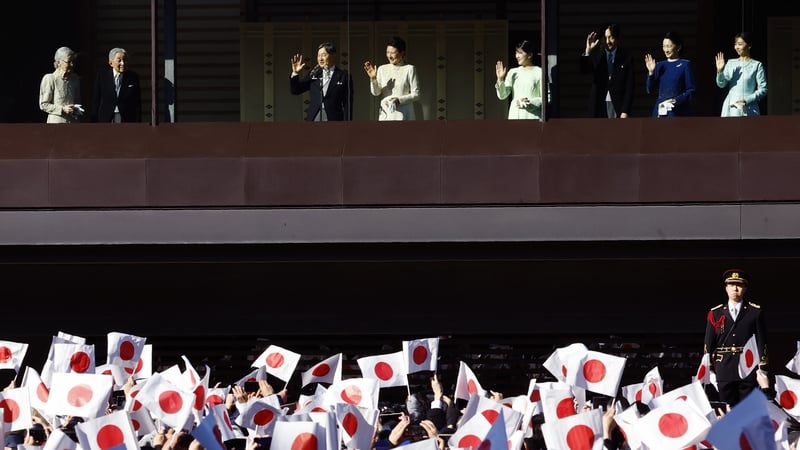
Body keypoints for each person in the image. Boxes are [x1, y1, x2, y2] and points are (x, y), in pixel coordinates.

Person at [703, 269, 768, 407]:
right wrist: (707, 367)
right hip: (724, 366)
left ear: (745, 288)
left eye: (739, 285)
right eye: (731, 284)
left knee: (746, 408)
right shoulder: (715, 313)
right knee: (726, 407)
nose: (735, 288)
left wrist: (762, 367)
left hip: (748, 365)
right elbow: (709, 342)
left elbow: (762, 341)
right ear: (726, 288)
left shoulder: (755, 312)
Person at [579, 24, 635, 118]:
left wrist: (625, 111)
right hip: (599, 104)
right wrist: (588, 51)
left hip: (617, 105)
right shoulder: (597, 56)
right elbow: (584, 71)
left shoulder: (626, 58)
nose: (608, 41)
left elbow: (630, 87)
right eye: (605, 38)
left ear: (617, 38)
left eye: (611, 37)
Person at [289, 42, 353, 121]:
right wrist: (295, 73)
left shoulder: (343, 76)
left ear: (333, 56)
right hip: (314, 117)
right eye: (318, 55)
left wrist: (347, 124)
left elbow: (347, 103)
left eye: (324, 55)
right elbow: (295, 90)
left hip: (334, 118)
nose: (320, 58)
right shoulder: (314, 74)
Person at [363, 36, 420, 120]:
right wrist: (373, 79)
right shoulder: (382, 69)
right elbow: (376, 93)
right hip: (386, 116)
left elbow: (416, 94)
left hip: (404, 115)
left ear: (402, 53)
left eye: (393, 53)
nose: (389, 56)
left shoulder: (410, 69)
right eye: (387, 52)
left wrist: (399, 100)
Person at [715, 32, 767, 117]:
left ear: (749, 46)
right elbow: (721, 84)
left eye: (740, 44)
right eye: (735, 44)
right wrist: (720, 71)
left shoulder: (757, 65)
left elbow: (763, 89)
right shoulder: (731, 63)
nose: (736, 47)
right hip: (731, 107)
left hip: (750, 108)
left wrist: (747, 100)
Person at [644, 31, 696, 117]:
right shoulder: (659, 65)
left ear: (678, 47)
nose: (666, 50)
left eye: (669, 46)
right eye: (664, 46)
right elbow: (649, 90)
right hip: (660, 111)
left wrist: (676, 100)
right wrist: (651, 73)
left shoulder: (685, 64)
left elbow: (691, 90)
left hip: (678, 112)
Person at [495, 40, 546, 120]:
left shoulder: (539, 72)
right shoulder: (513, 72)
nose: (517, 56)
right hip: (515, 116)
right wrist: (500, 79)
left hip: (533, 117)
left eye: (520, 53)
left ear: (529, 55)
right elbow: (502, 95)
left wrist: (529, 102)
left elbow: (546, 98)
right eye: (516, 53)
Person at [91, 47, 142, 123]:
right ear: (111, 63)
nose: (123, 63)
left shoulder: (133, 77)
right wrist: (94, 120)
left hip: (126, 118)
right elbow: (96, 99)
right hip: (106, 117)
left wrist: (138, 121)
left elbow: (137, 102)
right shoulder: (102, 76)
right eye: (119, 60)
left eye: (124, 60)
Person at [39, 46, 82, 123]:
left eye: (73, 61)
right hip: (56, 124)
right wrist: (62, 109)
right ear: (59, 62)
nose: (72, 64)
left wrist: (76, 109)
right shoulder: (50, 78)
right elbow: (44, 104)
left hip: (73, 123)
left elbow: (77, 101)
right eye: (68, 62)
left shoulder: (75, 78)